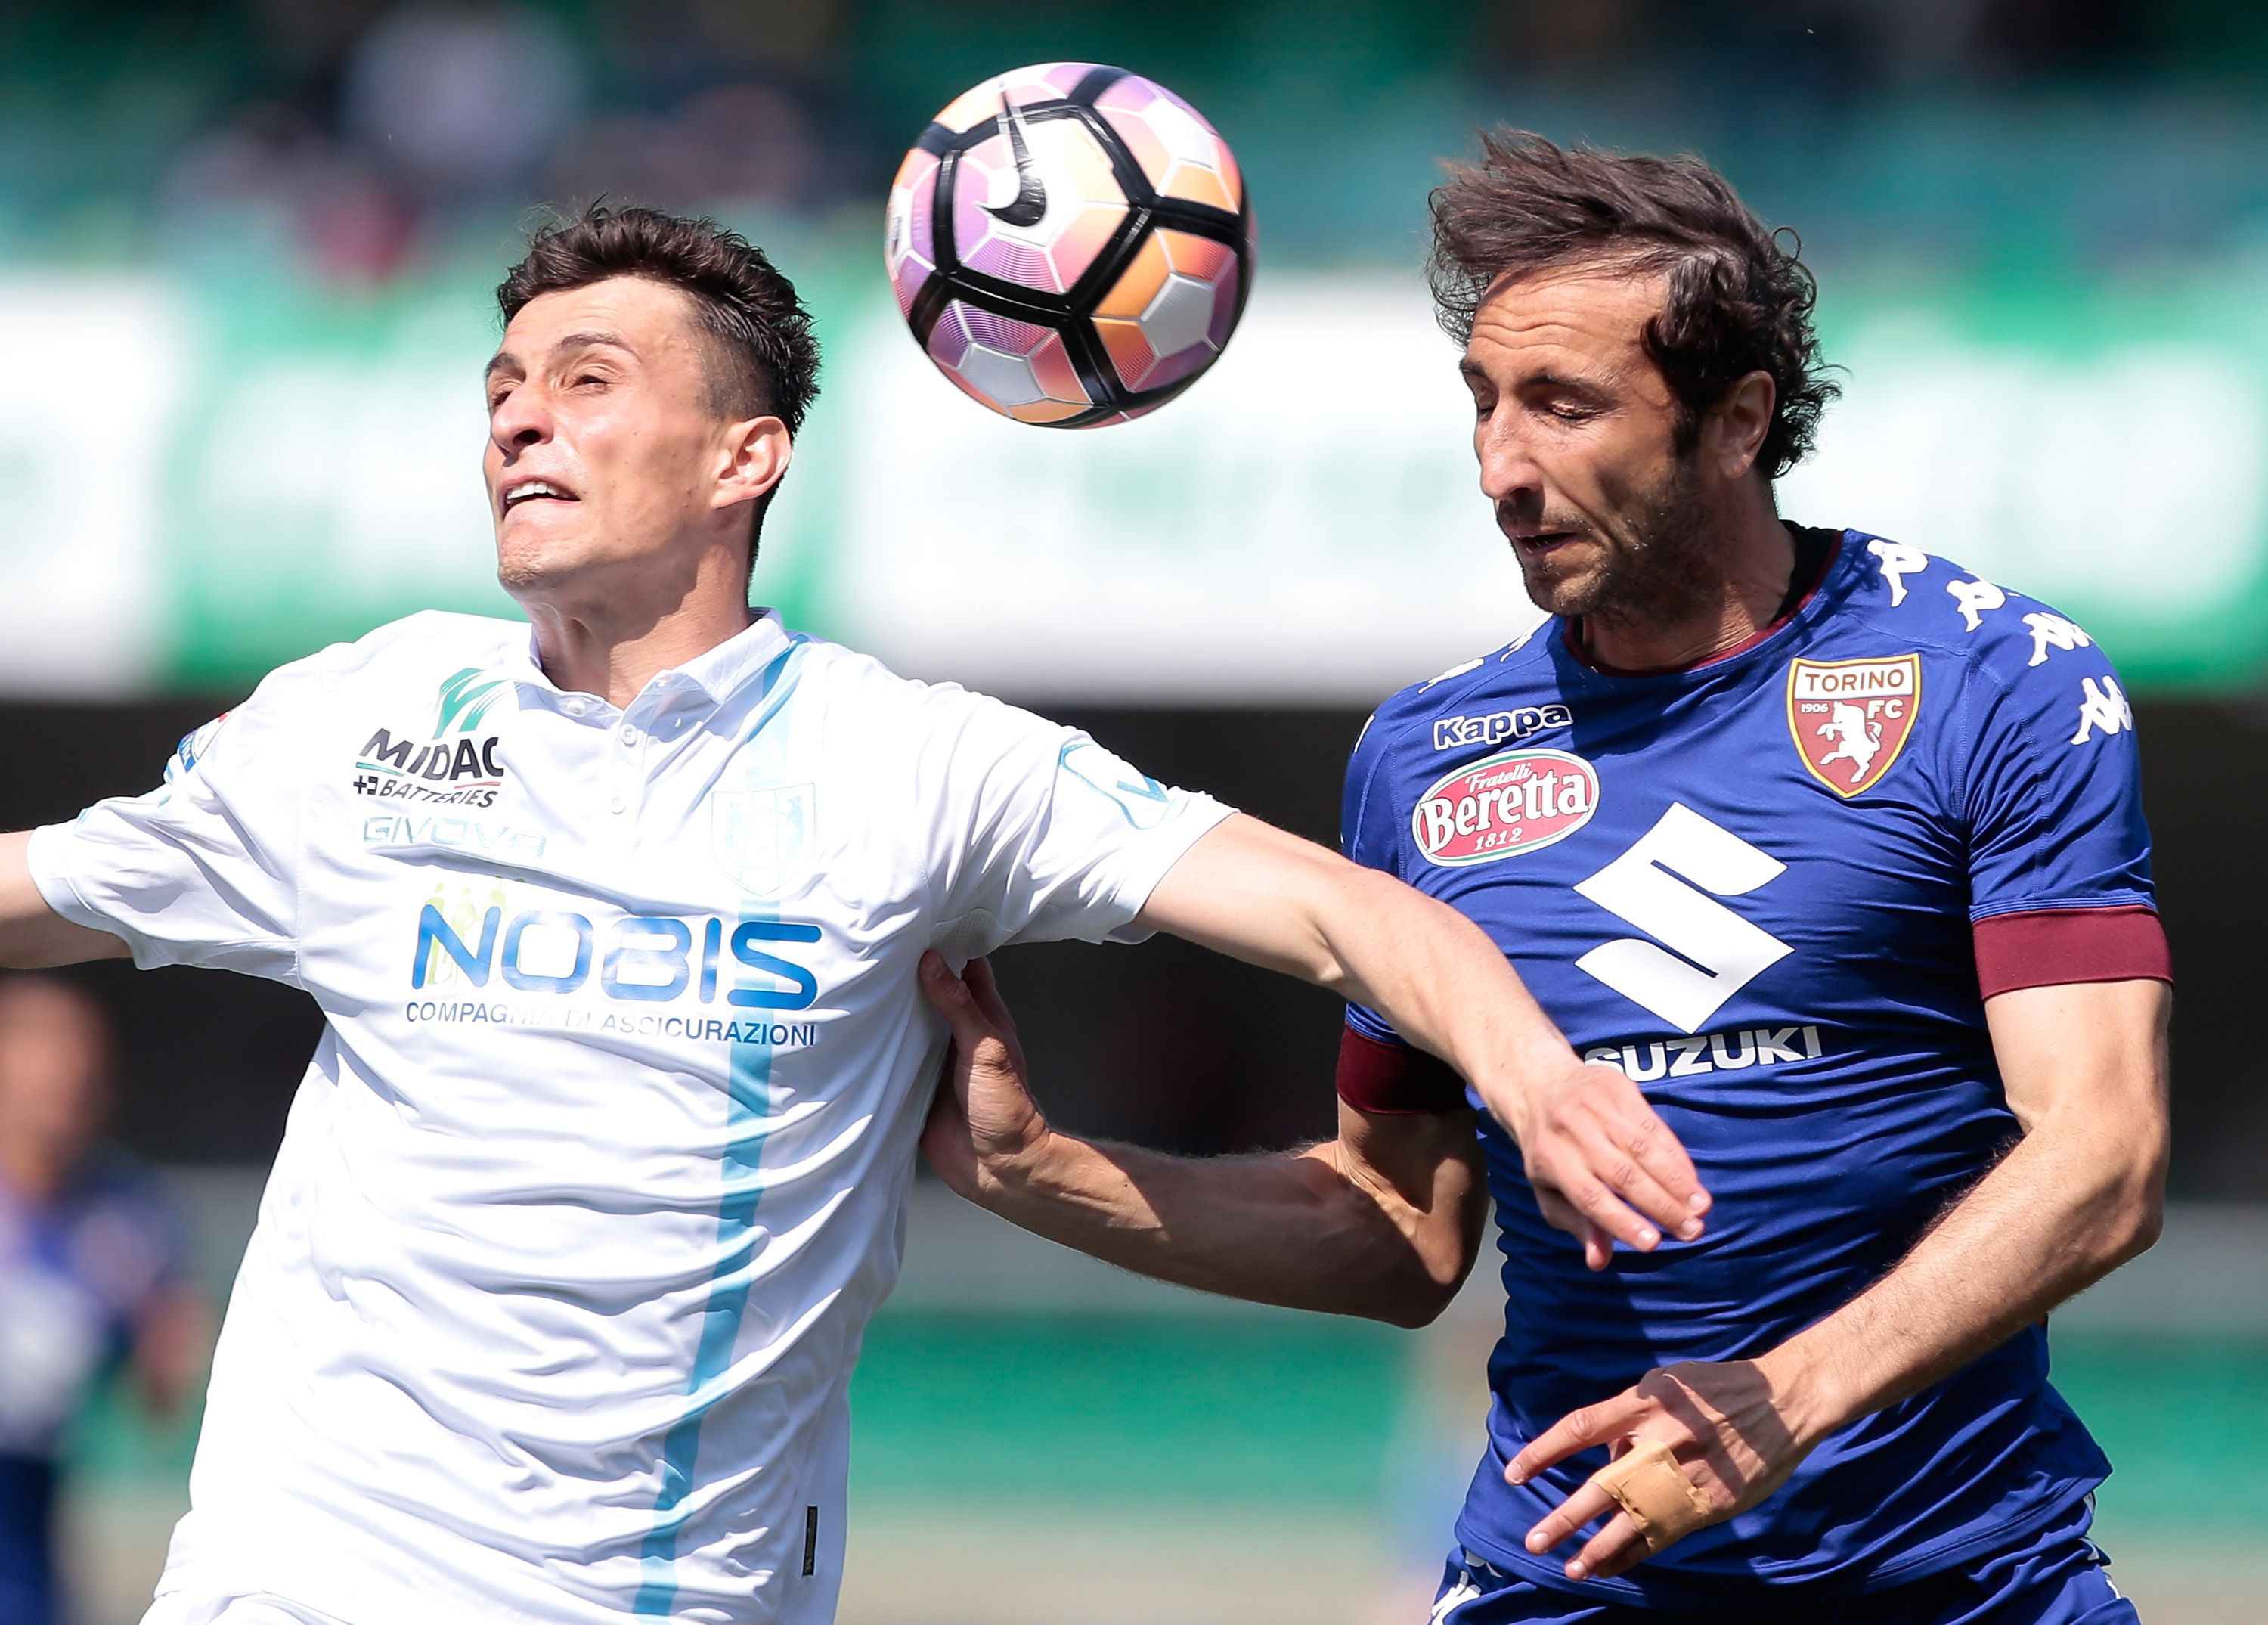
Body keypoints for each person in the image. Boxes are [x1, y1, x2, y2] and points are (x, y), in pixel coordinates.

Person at [0, 204, 1701, 1625]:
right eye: (503, 387)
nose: (518, 421)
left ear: (746, 455)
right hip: (290, 1578)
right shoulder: (361, 717)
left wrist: (1535, 1076)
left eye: (586, 381)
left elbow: (1343, 913)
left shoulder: (914, 765)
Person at [918, 134, 2170, 1622]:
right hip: (1570, 1573)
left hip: (1963, 1577)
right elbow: (1398, 1229)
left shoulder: (1993, 677)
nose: (1502, 466)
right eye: (1485, 401)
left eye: (1565, 406)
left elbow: (2104, 1153)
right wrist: (1037, 1170)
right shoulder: (1426, 758)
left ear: (1737, 421)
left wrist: (1790, 1394)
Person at [0, 975, 205, 1625]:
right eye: (42, 1054)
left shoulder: (122, 1215)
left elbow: (162, 1397)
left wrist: (168, 1348)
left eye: (82, 1059)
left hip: (26, 1537)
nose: (65, 1077)